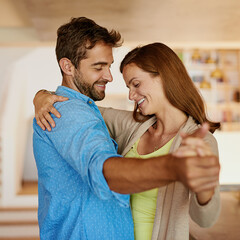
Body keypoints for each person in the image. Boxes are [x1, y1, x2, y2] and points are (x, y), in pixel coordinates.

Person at [33, 17, 220, 240]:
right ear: (68, 66)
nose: (130, 94)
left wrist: (204, 186)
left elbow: (205, 218)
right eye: (98, 67)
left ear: (165, 78)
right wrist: (42, 96)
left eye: (136, 84)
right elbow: (78, 111)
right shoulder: (133, 126)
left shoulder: (201, 141)